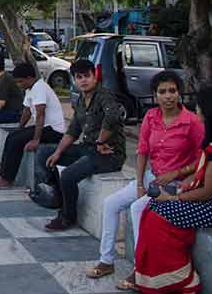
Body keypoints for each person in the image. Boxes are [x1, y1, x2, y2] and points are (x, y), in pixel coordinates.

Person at [135, 88, 212, 293]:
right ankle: (152, 273)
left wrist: (175, 197)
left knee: (160, 215)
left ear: (210, 113)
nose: (197, 111)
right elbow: (203, 175)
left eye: (200, 108)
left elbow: (209, 192)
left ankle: (183, 280)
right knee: (153, 209)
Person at [86, 71, 204, 288]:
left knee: (137, 209)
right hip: (151, 178)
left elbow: (203, 159)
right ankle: (106, 260)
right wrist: (139, 183)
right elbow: (142, 152)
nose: (167, 96)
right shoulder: (151, 116)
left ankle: (140, 270)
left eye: (172, 91)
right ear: (155, 94)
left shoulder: (192, 122)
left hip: (176, 184)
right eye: (162, 92)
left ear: (179, 93)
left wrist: (178, 174)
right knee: (111, 204)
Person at [30, 61, 126, 231]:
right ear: (74, 79)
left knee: (67, 175)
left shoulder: (105, 95)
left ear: (94, 76)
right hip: (87, 148)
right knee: (46, 153)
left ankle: (68, 218)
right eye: (79, 77)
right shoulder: (81, 99)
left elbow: (113, 117)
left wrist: (101, 141)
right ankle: (57, 198)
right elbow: (73, 130)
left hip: (108, 154)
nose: (84, 81)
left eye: (87, 76)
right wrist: (58, 152)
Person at [0, 60, 72, 189]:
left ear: (29, 78)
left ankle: (7, 179)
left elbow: (41, 115)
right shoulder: (30, 88)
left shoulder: (40, 88)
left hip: (54, 131)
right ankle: (3, 175)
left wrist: (36, 140)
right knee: (12, 137)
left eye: (20, 82)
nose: (19, 85)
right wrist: (20, 128)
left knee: (16, 141)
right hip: (44, 128)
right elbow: (27, 111)